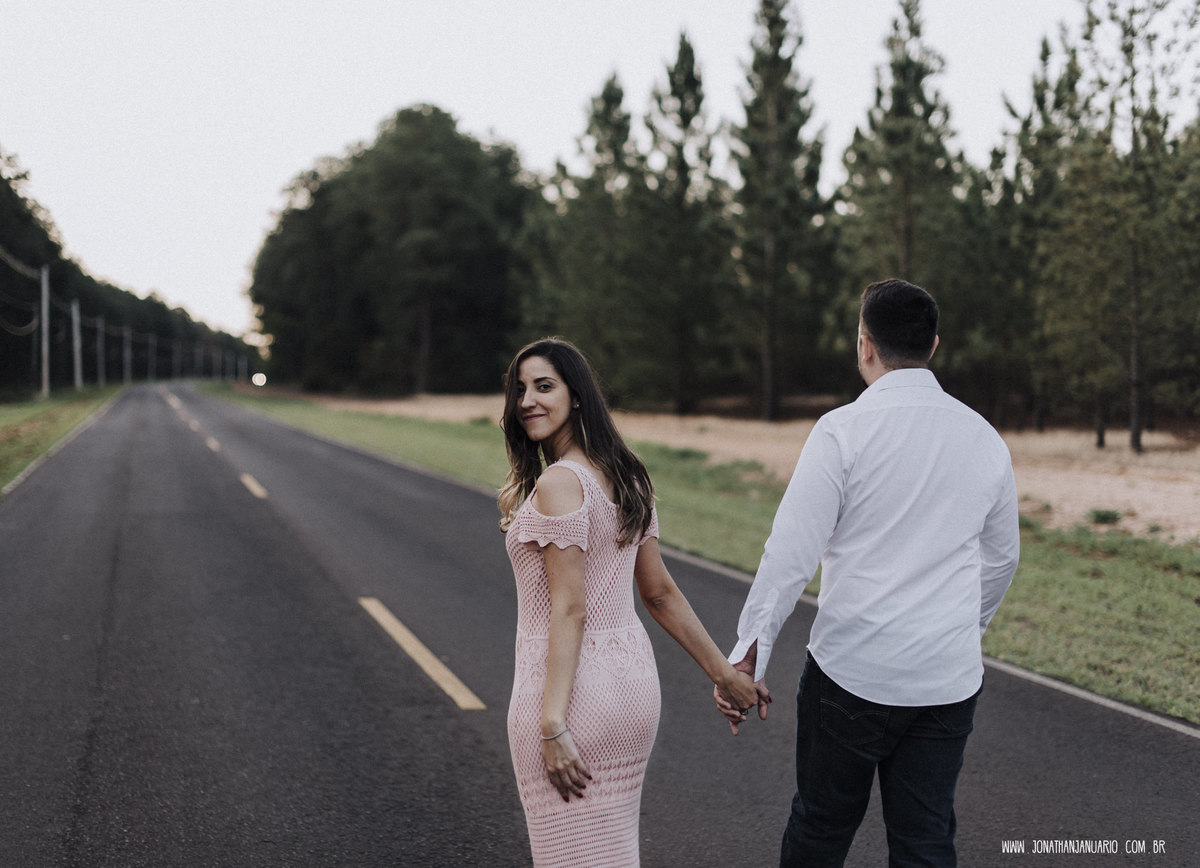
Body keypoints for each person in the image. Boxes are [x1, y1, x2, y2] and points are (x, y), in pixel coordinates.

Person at [718, 279, 1020, 867]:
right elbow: (1002, 559)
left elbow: (790, 553)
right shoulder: (985, 439)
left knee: (822, 829)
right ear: (934, 345)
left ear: (864, 345)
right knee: (926, 841)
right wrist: (961, 631)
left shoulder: (842, 432)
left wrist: (750, 650)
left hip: (851, 672)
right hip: (946, 679)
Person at [498, 337, 760, 867]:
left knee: (568, 857)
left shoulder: (559, 481)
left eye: (544, 386)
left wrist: (552, 723)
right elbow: (658, 592)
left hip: (572, 697)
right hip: (631, 691)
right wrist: (723, 674)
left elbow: (570, 609)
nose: (527, 400)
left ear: (577, 396)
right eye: (520, 390)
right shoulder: (627, 474)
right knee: (611, 853)